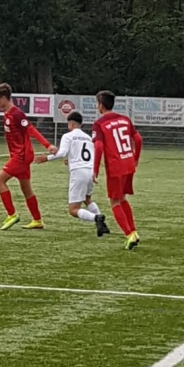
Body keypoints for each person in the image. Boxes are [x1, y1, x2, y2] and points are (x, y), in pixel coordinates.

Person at [0, 83, 56, 230]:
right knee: (26, 189)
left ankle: (12, 214)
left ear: (3, 98)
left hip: (21, 156)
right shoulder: (7, 114)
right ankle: (37, 220)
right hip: (18, 155)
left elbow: (31, 129)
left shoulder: (17, 114)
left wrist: (47, 145)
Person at [35, 111, 110, 236]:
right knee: (87, 199)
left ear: (71, 123)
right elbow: (88, 156)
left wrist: (46, 158)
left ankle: (96, 218)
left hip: (78, 173)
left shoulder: (68, 136)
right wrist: (71, 161)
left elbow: (62, 153)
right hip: (90, 171)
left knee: (73, 209)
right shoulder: (88, 138)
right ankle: (103, 225)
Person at [92, 91, 143, 249]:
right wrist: (135, 158)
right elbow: (138, 139)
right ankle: (134, 232)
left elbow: (98, 146)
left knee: (114, 201)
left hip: (116, 166)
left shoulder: (99, 123)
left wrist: (95, 169)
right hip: (128, 163)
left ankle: (129, 235)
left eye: (97, 103)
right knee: (122, 198)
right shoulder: (125, 119)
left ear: (101, 105)